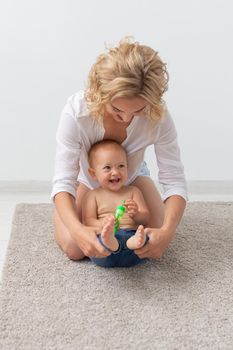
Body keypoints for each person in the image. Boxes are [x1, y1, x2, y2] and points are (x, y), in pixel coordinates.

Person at [52, 37, 187, 262]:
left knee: (154, 240)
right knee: (76, 249)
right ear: (100, 93)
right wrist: (77, 229)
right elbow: (63, 180)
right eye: (117, 109)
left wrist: (167, 233)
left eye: (137, 111)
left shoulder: (158, 117)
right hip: (87, 179)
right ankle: (63, 215)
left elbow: (174, 181)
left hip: (133, 176)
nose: (126, 119)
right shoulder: (76, 113)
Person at [82, 139, 150, 267]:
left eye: (121, 166)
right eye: (107, 168)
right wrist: (103, 223)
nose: (115, 172)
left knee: (147, 237)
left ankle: (132, 243)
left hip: (131, 236)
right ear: (93, 173)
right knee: (100, 240)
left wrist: (136, 213)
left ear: (127, 168)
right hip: (105, 247)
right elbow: (88, 221)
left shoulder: (133, 191)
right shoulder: (93, 195)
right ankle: (112, 242)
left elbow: (146, 218)